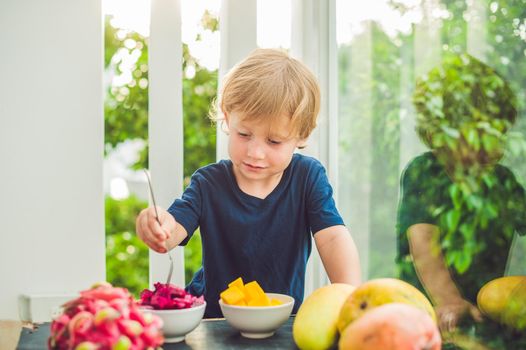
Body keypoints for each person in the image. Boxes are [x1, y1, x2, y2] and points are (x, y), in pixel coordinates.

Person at [136, 48, 361, 318]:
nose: (255, 152)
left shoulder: (308, 177)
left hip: (280, 320)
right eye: (244, 134)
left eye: (274, 141)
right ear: (228, 118)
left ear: (301, 135)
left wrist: (352, 300)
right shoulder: (208, 183)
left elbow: (333, 237)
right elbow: (174, 229)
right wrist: (158, 226)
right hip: (213, 320)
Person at [396, 53, 526, 348]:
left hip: (488, 316)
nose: (497, 145)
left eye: (500, 133)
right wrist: (449, 300)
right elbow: (423, 244)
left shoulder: (503, 180)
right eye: (482, 135)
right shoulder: (424, 171)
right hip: (430, 314)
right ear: (440, 135)